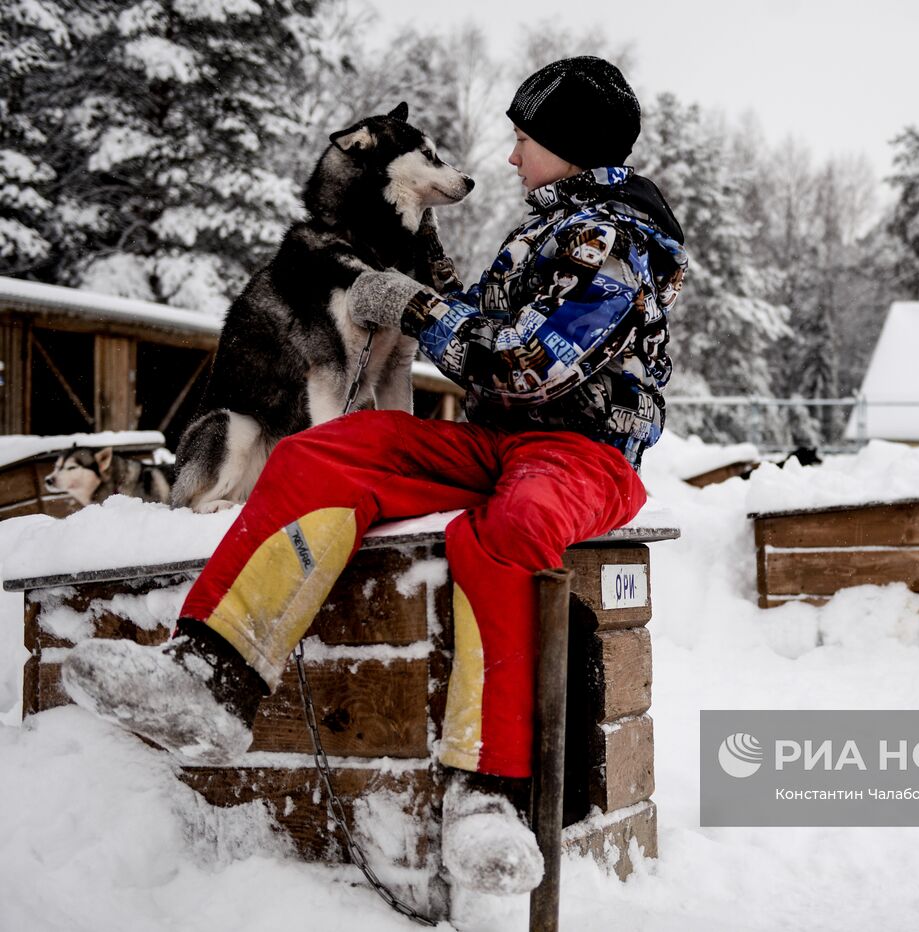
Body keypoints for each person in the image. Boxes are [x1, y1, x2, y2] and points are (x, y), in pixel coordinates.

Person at [61, 56, 686, 896]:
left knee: (512, 527)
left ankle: (487, 795)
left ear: (569, 148)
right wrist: (428, 271)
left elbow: (531, 362)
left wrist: (416, 309)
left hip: (583, 453)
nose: (509, 156)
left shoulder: (612, 237)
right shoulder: (552, 222)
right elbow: (493, 330)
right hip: (496, 442)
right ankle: (212, 678)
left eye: (524, 139)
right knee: (325, 452)